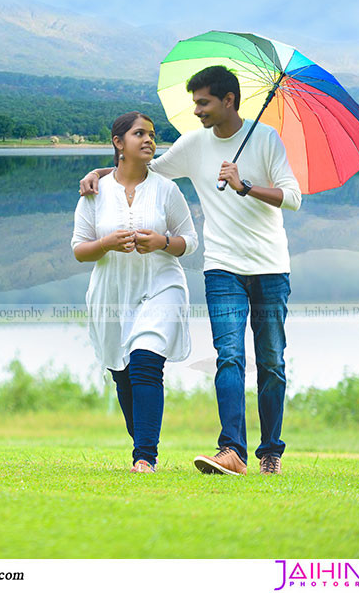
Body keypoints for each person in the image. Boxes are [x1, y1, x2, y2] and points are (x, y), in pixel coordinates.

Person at [79, 65, 301, 476]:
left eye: (203, 102)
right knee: (229, 357)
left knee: (271, 362)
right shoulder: (194, 144)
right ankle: (231, 449)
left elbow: (293, 197)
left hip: (271, 267)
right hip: (221, 268)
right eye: (195, 102)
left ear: (228, 101)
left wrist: (245, 186)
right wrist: (98, 173)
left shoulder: (267, 139)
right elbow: (147, 169)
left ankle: (270, 451)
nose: (196, 110)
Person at [72, 111, 197, 473]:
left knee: (146, 363)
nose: (149, 140)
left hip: (162, 286)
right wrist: (107, 243)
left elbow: (190, 242)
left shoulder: (166, 189)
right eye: (139, 134)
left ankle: (145, 457)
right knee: (124, 376)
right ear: (118, 143)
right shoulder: (94, 192)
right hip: (111, 293)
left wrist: (163, 241)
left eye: (152, 135)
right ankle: (141, 436)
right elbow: (79, 249)